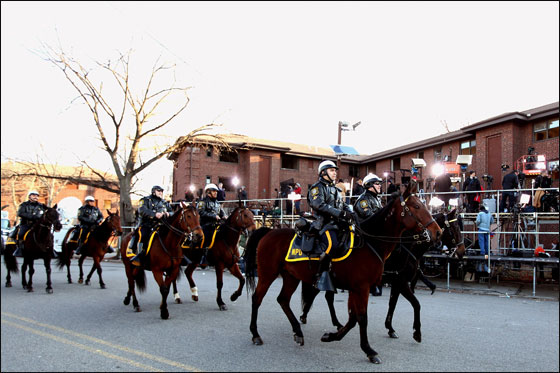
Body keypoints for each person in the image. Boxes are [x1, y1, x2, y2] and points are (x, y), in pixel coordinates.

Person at [308, 160, 353, 292]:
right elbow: (319, 205)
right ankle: (320, 275)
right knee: (332, 244)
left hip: (338, 223)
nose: (335, 172)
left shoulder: (337, 189)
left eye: (335, 170)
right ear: (323, 173)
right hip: (324, 224)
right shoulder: (317, 187)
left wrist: (350, 212)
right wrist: (340, 213)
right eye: (332, 170)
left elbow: (342, 205)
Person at [130, 185, 173, 266]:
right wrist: (154, 214)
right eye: (158, 191)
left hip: (161, 225)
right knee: (144, 235)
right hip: (147, 224)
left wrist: (168, 213)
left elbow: (172, 212)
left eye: (161, 191)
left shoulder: (165, 202)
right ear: (153, 191)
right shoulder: (145, 200)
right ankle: (141, 254)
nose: (161, 192)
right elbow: (142, 210)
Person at [9, 190, 48, 257]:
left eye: (36, 195)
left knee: (47, 233)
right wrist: (32, 217)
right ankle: (20, 248)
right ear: (29, 196)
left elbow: (45, 214)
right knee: (21, 234)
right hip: (26, 224)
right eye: (33, 195)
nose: (35, 197)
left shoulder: (41, 206)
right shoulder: (24, 205)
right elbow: (20, 213)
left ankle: (48, 248)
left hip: (37, 224)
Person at [475, 204, 494, 272]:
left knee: (481, 241)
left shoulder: (480, 213)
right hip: (487, 229)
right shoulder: (489, 214)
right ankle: (487, 252)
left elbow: (478, 221)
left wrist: (477, 225)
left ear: (481, 209)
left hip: (481, 229)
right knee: (487, 241)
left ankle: (482, 252)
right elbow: (492, 221)